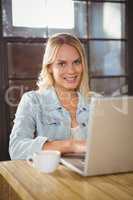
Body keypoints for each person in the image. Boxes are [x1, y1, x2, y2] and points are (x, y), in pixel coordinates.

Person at [9, 33, 95, 160]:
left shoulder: (95, 102)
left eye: (76, 62)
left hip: (94, 177)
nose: (71, 71)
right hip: (51, 178)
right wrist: (70, 145)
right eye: (62, 64)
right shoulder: (33, 101)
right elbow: (16, 149)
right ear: (49, 67)